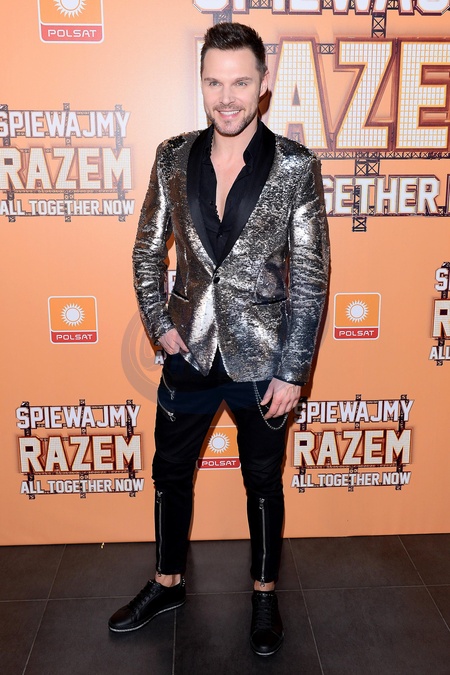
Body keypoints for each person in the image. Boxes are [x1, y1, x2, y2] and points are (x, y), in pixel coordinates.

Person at [109, 21, 329, 657]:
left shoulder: (296, 167)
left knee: (262, 480)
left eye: (239, 83)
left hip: (263, 358)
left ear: (262, 85)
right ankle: (167, 583)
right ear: (201, 84)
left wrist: (293, 370)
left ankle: (263, 595)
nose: (226, 97)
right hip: (188, 353)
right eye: (214, 83)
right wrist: (159, 324)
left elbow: (311, 274)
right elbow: (147, 250)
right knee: (170, 471)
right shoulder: (172, 156)